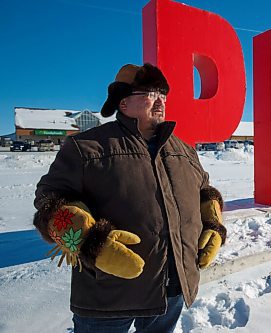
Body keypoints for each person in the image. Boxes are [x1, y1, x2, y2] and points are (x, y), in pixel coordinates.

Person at [33, 63, 227, 333]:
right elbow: (48, 201)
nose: (160, 100)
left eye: (163, 94)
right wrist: (90, 241)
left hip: (171, 286)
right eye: (150, 93)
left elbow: (205, 192)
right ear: (123, 102)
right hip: (108, 293)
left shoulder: (184, 150)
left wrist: (214, 226)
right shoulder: (86, 148)